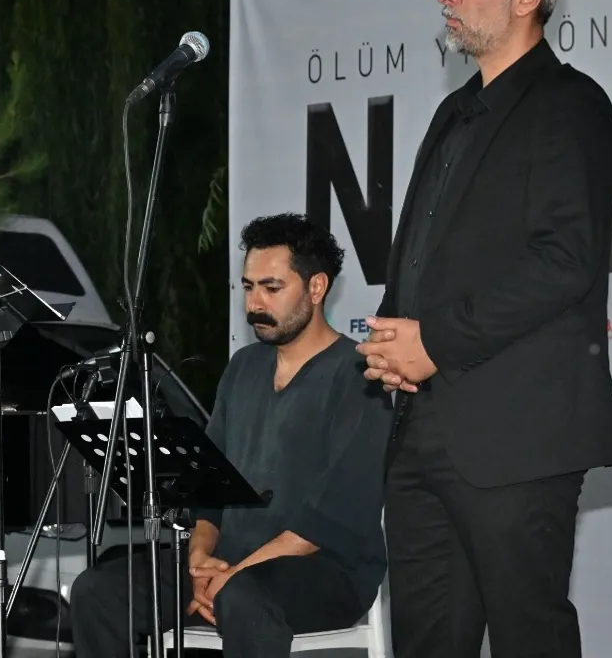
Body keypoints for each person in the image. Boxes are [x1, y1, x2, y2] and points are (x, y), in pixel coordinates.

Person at [355, 0, 612, 656]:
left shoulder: (571, 104)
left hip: (519, 435)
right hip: (420, 430)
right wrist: (394, 346)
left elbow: (564, 262)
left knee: (527, 638)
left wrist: (433, 342)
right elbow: (423, 256)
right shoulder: (454, 113)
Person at [70, 213, 392, 657]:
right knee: (98, 591)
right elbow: (209, 488)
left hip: (324, 571)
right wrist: (199, 559)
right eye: (248, 287)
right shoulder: (243, 367)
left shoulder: (360, 376)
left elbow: (328, 520)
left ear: (316, 287)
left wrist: (232, 576)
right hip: (230, 563)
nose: (254, 303)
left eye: (271, 288)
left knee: (243, 597)